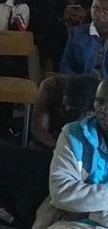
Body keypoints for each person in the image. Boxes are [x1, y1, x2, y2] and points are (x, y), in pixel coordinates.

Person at [32, 80, 108, 229]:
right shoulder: (74, 134)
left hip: (85, 216)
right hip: (73, 223)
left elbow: (72, 200)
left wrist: (89, 212)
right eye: (100, 101)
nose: (105, 109)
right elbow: (61, 192)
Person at [30, 74, 100, 153]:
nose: (67, 109)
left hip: (78, 142)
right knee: (34, 146)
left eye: (73, 108)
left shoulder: (98, 105)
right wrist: (62, 147)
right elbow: (39, 130)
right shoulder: (51, 86)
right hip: (52, 138)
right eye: (65, 104)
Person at [60, 0, 108, 79]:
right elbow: (66, 66)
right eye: (95, 9)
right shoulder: (78, 33)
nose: (98, 14)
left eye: (105, 12)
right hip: (81, 87)